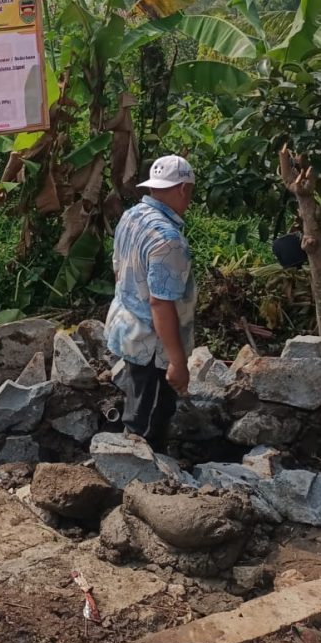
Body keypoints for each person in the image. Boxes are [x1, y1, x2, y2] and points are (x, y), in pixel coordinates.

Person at [105, 153, 196, 450]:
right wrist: (177, 361)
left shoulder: (131, 216)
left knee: (138, 403)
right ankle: (139, 484)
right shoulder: (168, 239)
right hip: (152, 345)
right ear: (183, 188)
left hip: (127, 327)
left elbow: (118, 268)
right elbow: (161, 304)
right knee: (148, 421)